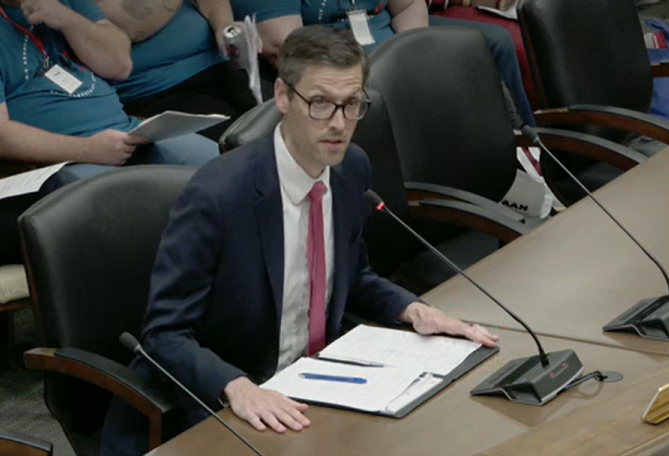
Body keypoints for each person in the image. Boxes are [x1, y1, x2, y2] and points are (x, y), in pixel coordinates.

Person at [101, 25, 498, 455]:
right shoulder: (218, 197)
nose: (339, 124)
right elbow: (164, 334)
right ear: (283, 97)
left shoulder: (351, 170)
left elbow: (351, 274)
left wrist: (414, 310)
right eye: (321, 103)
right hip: (220, 404)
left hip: (316, 387)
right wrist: (235, 386)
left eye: (352, 105)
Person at [0, 0, 219, 264]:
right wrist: (87, 150)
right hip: (64, 161)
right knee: (143, 211)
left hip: (129, 135)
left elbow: (119, 64)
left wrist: (67, 19)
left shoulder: (65, 2)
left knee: (226, 173)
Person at [231, 0, 535, 127]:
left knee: (492, 41)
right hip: (331, 56)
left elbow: (408, 6)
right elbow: (286, 42)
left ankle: (528, 154)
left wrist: (416, 57)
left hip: (388, 37)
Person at [97, 0, 258, 141]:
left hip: (222, 68)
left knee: (275, 114)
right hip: (165, 92)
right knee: (247, 142)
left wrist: (225, 26)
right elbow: (132, 22)